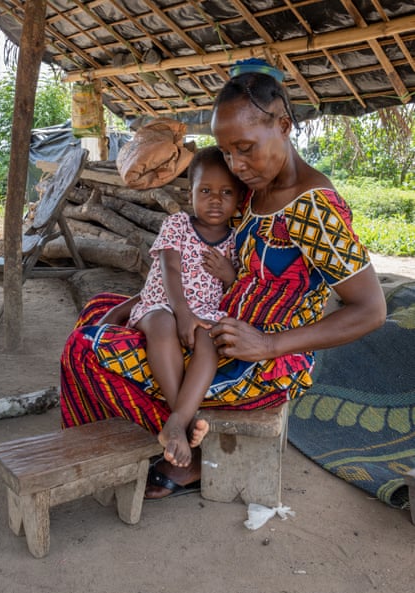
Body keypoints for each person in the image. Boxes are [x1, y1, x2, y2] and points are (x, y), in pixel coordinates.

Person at [60, 58, 386, 500]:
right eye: (228, 150)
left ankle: (181, 449)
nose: (237, 163)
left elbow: (371, 310)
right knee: (100, 308)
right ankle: (160, 436)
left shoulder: (314, 209)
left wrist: (268, 344)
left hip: (261, 360)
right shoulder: (257, 191)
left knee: (87, 350)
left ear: (284, 125)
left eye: (246, 147)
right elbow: (194, 258)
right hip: (220, 326)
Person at [126, 146, 245, 468]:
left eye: (226, 192)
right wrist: (182, 313)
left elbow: (238, 285)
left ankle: (176, 422)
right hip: (163, 303)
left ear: (239, 198)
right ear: (190, 193)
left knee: (210, 340)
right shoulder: (177, 224)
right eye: (205, 191)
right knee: (163, 326)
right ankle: (183, 421)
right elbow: (170, 270)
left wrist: (229, 274)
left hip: (206, 311)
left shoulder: (236, 240)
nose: (215, 200)